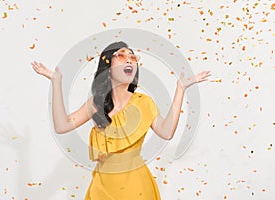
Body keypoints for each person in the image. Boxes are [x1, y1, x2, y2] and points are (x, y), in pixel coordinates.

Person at [32, 41, 211, 199]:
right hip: (102, 189)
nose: (129, 60)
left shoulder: (143, 103)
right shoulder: (96, 103)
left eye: (133, 58)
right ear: (108, 66)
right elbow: (62, 125)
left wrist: (180, 89)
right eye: (122, 56)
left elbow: (166, 132)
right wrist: (56, 82)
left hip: (137, 189)